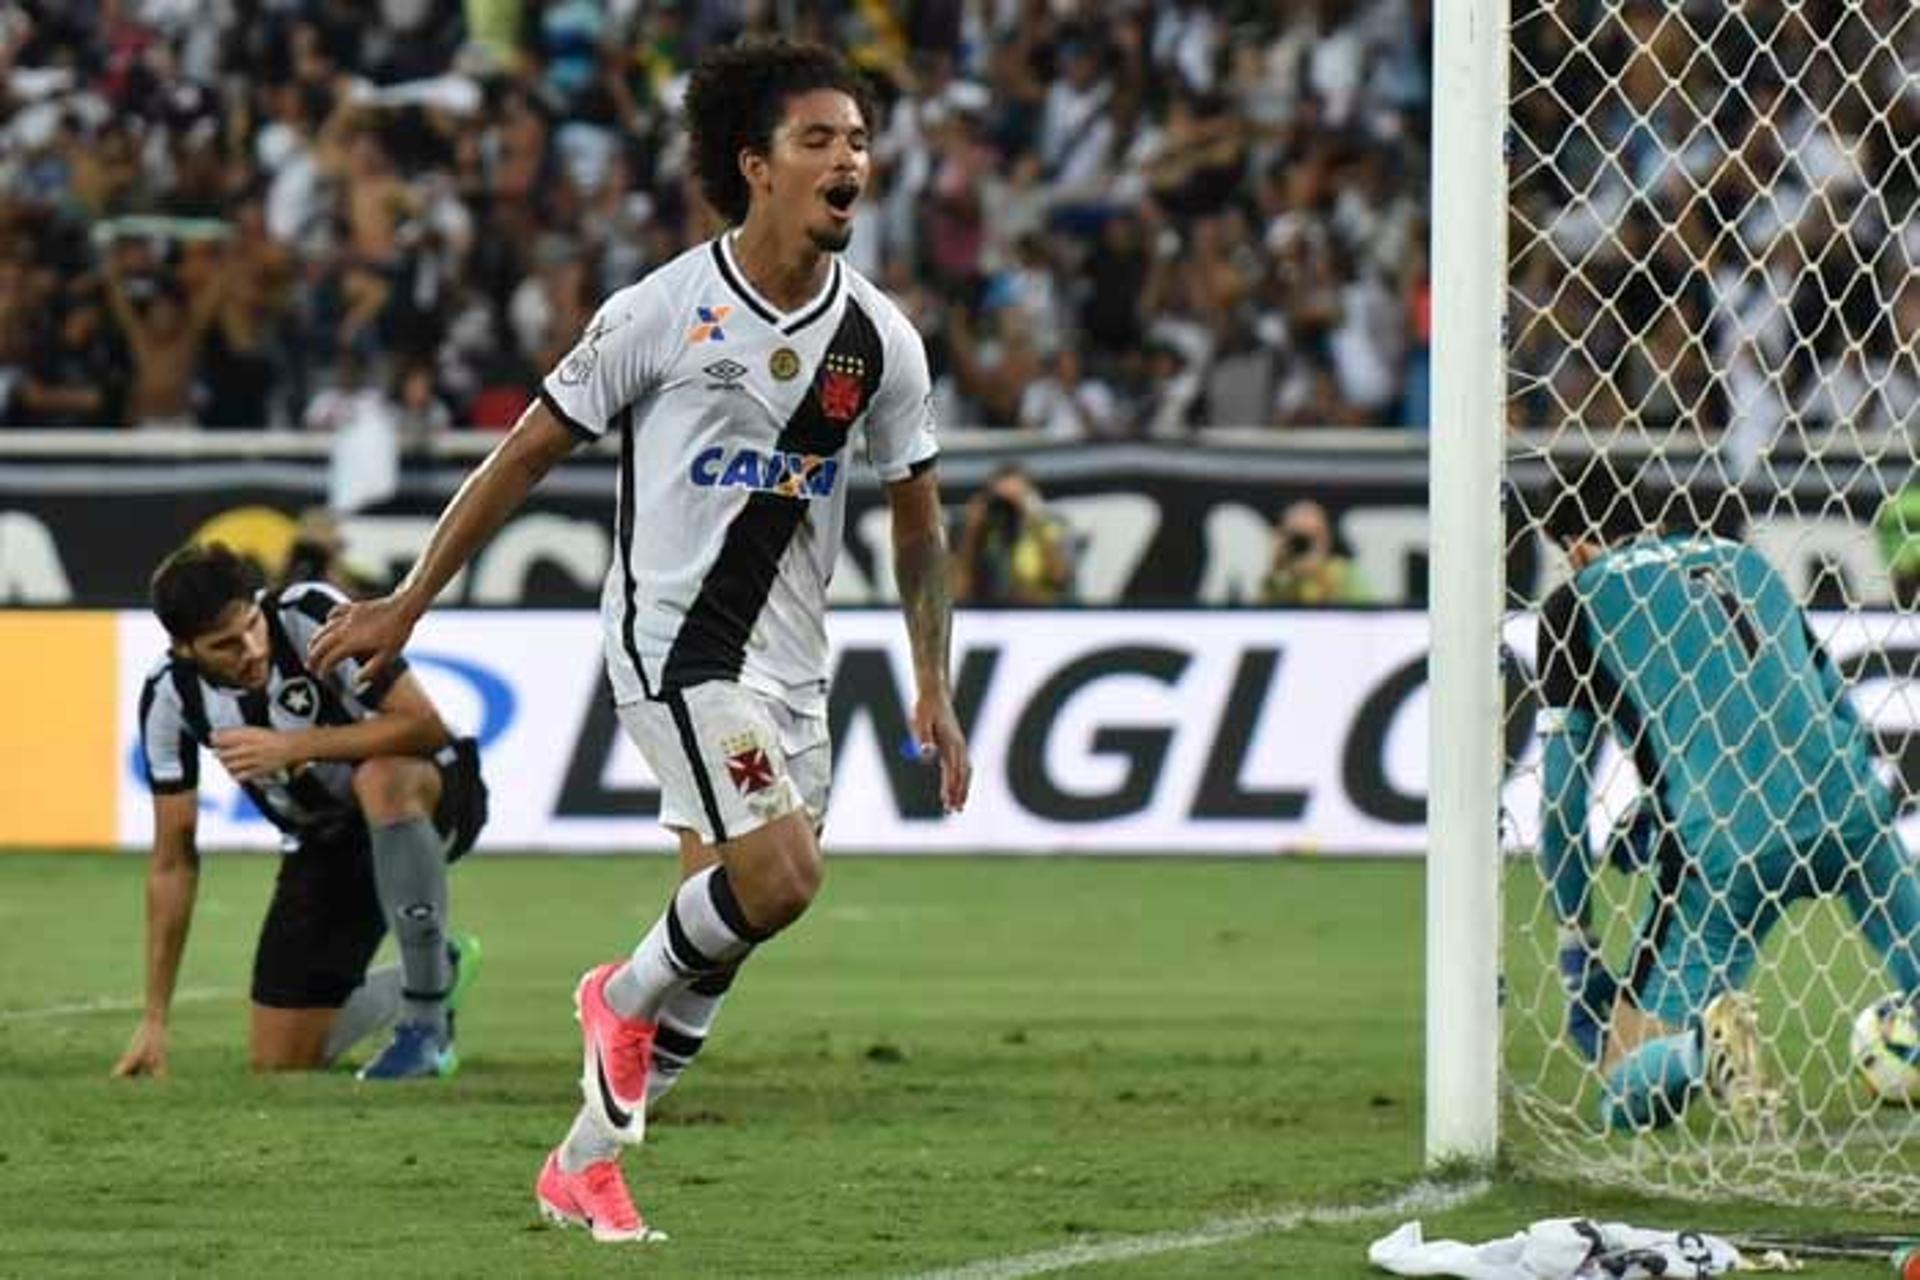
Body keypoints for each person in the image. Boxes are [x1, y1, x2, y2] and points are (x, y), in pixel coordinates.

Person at [309, 38, 972, 1243]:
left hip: (793, 666)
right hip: (675, 646)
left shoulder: (880, 343)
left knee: (718, 940)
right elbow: (522, 455)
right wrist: (409, 598)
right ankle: (606, 993)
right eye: (820, 139)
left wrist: (935, 680)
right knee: (780, 879)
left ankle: (582, 1163)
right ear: (754, 165)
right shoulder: (662, 310)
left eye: (861, 141)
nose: (850, 162)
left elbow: (918, 522)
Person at [1534, 462, 1920, 1135]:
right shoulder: (1745, 561)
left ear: (1571, 548)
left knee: (1621, 1094)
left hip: (1728, 845)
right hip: (1855, 812)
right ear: (1649, 513)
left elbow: (1564, 804)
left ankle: (1702, 1049)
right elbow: (1826, 695)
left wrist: (1577, 946)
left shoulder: (1577, 602)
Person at [116, 542, 486, 1081]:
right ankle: (436, 966)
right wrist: (154, 1019)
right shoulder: (169, 696)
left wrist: (293, 746)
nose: (251, 650)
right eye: (225, 645)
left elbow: (425, 725)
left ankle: (426, 1028)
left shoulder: (309, 614)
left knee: (379, 777)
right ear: (185, 648)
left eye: (250, 626)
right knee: (280, 1059)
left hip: (433, 790)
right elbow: (173, 861)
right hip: (325, 842)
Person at [953, 462, 1078, 605]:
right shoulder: (986, 533)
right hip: (991, 614)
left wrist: (1034, 518)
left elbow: (1060, 579)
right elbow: (959, 594)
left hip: (1040, 612)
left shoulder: (1049, 526)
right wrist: (972, 530)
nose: (1008, 508)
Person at [1259, 499, 1367, 605]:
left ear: (1326, 537)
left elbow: (1366, 613)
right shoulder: (1281, 578)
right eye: (1297, 537)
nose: (1303, 544)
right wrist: (1277, 566)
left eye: (1311, 536)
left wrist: (1320, 576)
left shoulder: (1346, 574)